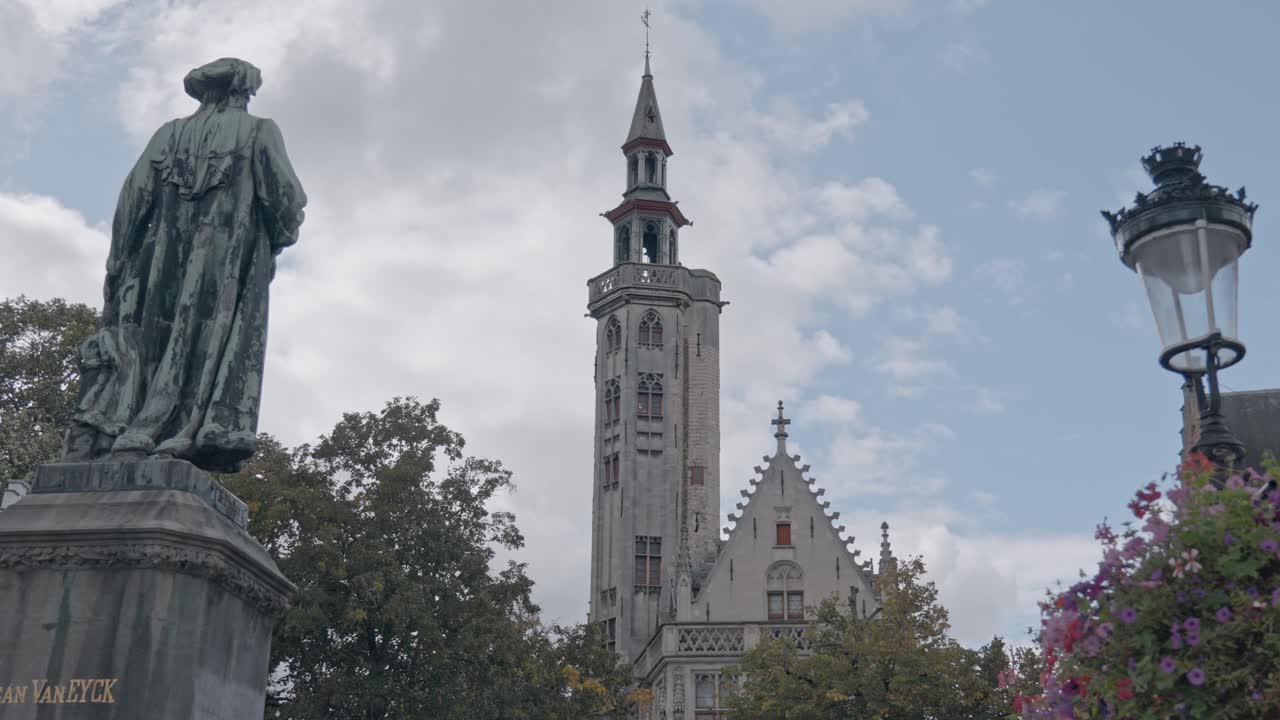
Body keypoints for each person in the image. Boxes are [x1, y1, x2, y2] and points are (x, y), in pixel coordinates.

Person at [62, 58, 306, 473]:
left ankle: (131, 429)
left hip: (156, 265)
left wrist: (120, 261)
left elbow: (133, 197)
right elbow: (286, 198)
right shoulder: (259, 131)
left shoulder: (169, 134)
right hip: (226, 264)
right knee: (208, 343)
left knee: (152, 343)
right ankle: (181, 430)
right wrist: (274, 239)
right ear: (239, 92)